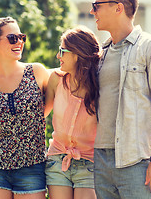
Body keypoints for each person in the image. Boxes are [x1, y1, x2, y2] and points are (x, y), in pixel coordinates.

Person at [89, 0, 151, 198]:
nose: (93, 12)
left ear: (118, 7)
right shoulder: (102, 53)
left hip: (136, 162)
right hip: (101, 160)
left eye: (97, 6)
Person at [0, 17, 50, 199]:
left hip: (32, 164)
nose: (19, 42)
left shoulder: (37, 72)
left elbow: (50, 106)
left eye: (21, 37)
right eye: (12, 38)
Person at [44, 26, 100, 199]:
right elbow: (40, 116)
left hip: (89, 164)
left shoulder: (100, 85)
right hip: (57, 160)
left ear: (77, 53)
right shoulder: (56, 79)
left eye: (62, 51)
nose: (58, 56)